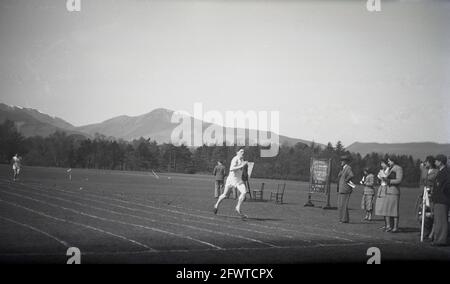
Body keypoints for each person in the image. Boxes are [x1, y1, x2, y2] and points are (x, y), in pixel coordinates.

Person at [213, 149, 248, 218]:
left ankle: (238, 207)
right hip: (231, 180)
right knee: (225, 195)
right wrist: (242, 166)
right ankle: (216, 205)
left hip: (238, 180)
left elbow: (241, 170)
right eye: (241, 151)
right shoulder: (235, 159)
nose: (243, 153)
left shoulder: (242, 160)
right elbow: (231, 168)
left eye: (243, 151)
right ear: (237, 152)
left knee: (244, 192)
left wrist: (245, 171)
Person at [431, 154, 449, 246]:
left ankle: (441, 240)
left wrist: (441, 192)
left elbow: (447, 186)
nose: (435, 162)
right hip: (439, 199)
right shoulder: (441, 171)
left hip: (442, 200)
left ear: (441, 162)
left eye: (436, 160)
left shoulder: (445, 172)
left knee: (441, 220)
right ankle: (437, 239)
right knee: (438, 220)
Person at [419, 156, 438, 240]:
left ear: (430, 162)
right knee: (421, 214)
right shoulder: (424, 170)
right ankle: (425, 231)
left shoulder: (436, 171)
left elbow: (431, 181)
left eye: (426, 162)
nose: (424, 163)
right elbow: (422, 180)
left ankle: (432, 233)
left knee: (432, 214)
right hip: (424, 193)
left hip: (432, 194)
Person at [384, 157, 403, 233]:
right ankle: (388, 226)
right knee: (387, 210)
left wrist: (389, 181)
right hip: (388, 191)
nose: (388, 162)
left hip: (394, 192)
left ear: (393, 161)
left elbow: (399, 180)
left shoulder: (398, 168)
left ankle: (395, 227)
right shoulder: (390, 168)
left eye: (389, 161)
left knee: (394, 210)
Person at [337, 155, 354, 223]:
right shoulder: (343, 168)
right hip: (342, 189)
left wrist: (346, 180)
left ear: (345, 162)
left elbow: (351, 175)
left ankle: (344, 219)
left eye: (342, 161)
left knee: (343, 205)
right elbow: (339, 176)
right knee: (341, 205)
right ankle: (343, 219)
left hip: (345, 189)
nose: (341, 162)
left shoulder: (348, 168)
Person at [375, 160, 390, 230]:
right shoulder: (382, 170)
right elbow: (379, 180)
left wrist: (382, 175)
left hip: (386, 188)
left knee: (386, 207)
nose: (381, 165)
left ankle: (388, 225)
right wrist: (378, 178)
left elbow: (387, 179)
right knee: (382, 207)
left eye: (382, 163)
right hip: (381, 187)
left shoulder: (389, 170)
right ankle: (386, 224)